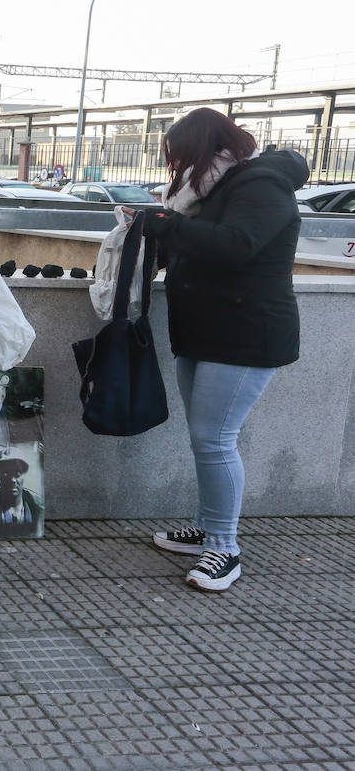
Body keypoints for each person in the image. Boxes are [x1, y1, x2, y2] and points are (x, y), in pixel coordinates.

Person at [124, 107, 307, 592]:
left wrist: (165, 224)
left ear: (205, 149)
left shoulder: (261, 184)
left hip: (246, 333)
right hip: (207, 329)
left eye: (182, 156)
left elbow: (237, 245)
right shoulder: (214, 186)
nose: (176, 168)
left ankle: (224, 547)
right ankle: (207, 528)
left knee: (216, 438)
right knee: (206, 438)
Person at [0, 452, 43, 535]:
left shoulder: (38, 507)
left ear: (24, 476)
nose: (12, 480)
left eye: (17, 473)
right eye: (6, 473)